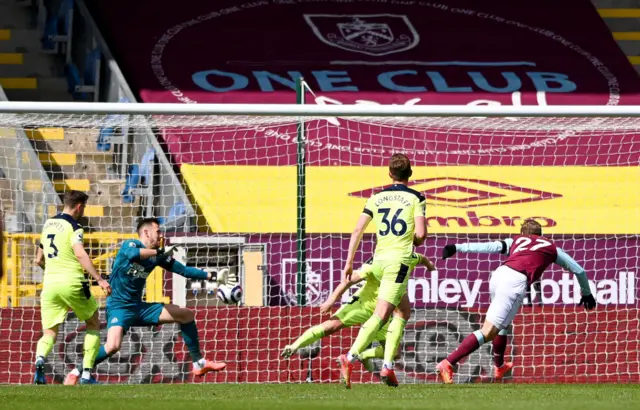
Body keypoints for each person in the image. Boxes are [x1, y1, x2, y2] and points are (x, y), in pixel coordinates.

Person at [64, 217, 225, 384]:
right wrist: (160, 252)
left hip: (140, 308)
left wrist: (212, 276)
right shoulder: (130, 245)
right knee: (113, 346)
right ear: (146, 233)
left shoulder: (158, 256)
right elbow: (135, 255)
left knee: (186, 314)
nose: (161, 235)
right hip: (119, 307)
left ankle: (199, 363)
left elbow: (183, 270)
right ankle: (77, 372)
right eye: (158, 231)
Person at [436, 219, 596, 383]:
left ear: (523, 234)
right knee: (489, 331)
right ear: (540, 235)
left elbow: (489, 246)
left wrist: (457, 247)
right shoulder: (551, 247)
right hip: (515, 280)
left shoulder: (516, 241)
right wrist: (587, 293)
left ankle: (499, 366)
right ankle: (448, 362)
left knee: (503, 324)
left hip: (499, 275)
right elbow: (579, 270)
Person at [338, 153, 427, 388]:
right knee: (382, 314)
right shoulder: (417, 198)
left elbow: (358, 230)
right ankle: (350, 357)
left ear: (389, 173)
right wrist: (412, 240)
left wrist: (349, 263)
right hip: (397, 262)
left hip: (377, 259)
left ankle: (387, 366)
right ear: (410, 173)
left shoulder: (376, 197)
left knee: (403, 311)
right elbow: (421, 236)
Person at [282, 254, 435, 374]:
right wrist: (331, 299)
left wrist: (430, 266)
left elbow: (423, 259)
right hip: (363, 305)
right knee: (331, 326)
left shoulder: (410, 256)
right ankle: (294, 346)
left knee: (395, 354)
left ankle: (363, 355)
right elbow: (349, 280)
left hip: (384, 311)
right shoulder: (376, 261)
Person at [34, 190, 111, 384]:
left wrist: (53, 270)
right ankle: (85, 374)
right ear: (79, 206)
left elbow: (38, 259)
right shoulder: (74, 226)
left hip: (50, 284)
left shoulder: (48, 224)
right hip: (72, 282)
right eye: (84, 207)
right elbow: (80, 254)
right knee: (93, 322)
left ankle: (40, 360)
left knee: (50, 332)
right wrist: (99, 279)